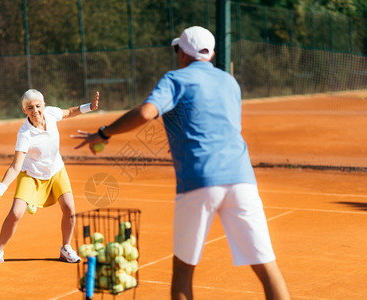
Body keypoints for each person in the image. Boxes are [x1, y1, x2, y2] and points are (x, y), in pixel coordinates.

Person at [72, 26, 290, 299]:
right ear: (210, 54)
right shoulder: (230, 82)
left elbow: (146, 112)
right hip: (242, 179)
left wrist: (104, 133)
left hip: (198, 180)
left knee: (184, 270)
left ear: (182, 53)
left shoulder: (175, 79)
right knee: (267, 268)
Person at [0, 89, 99, 267]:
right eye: (30, 108)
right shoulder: (24, 134)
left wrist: (89, 107)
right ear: (24, 110)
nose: (35, 111)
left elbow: (68, 112)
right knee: (15, 213)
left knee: (69, 209)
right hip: (31, 175)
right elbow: (16, 166)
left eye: (38, 106)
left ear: (44, 105)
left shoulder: (51, 113)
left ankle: (66, 248)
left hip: (56, 170)